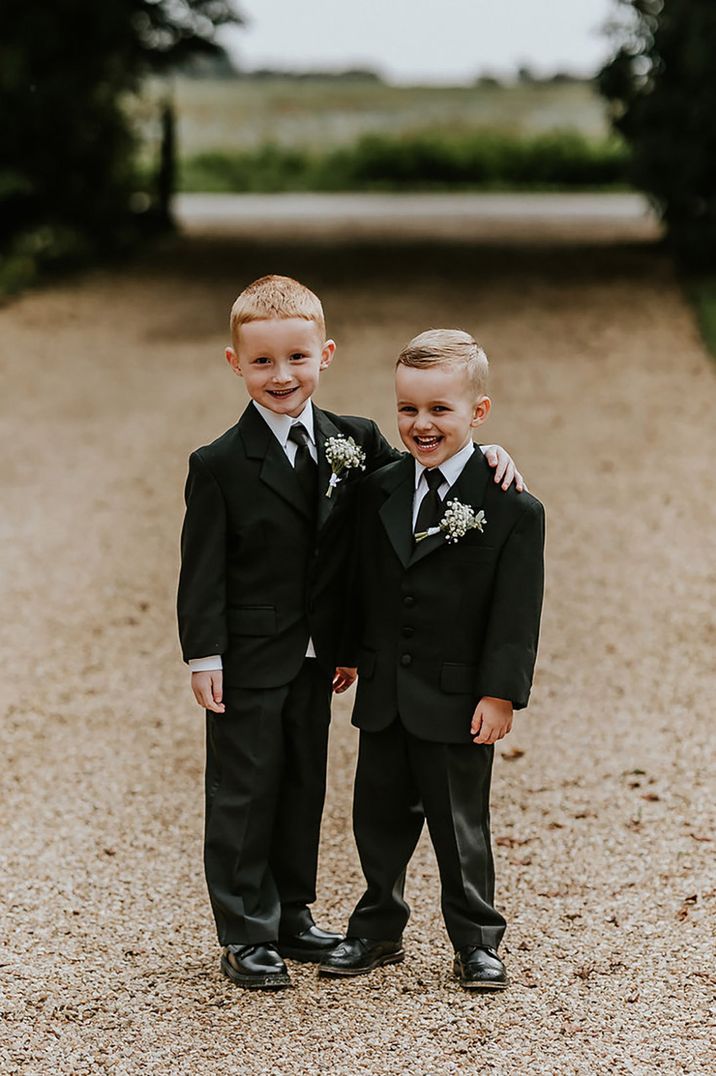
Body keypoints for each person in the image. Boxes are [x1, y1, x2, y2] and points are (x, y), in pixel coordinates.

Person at [177, 278, 523, 990]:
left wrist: (489, 458)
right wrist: (203, 653)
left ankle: (292, 912)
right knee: (244, 787)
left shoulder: (355, 440)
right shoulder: (217, 464)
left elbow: (426, 475)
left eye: (297, 358)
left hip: (319, 655)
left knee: (304, 782)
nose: (283, 376)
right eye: (264, 362)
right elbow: (201, 569)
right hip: (247, 653)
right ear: (235, 364)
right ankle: (245, 930)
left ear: (325, 354)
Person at [319, 329, 544, 991]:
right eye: (408, 409)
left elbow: (515, 614)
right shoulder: (378, 487)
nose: (422, 424)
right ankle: (378, 927)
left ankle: (476, 939)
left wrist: (500, 693)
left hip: (456, 696)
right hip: (387, 689)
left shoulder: (511, 507)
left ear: (478, 413)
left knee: (459, 825)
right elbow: (362, 576)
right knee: (376, 817)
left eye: (440, 410)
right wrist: (350, 653)